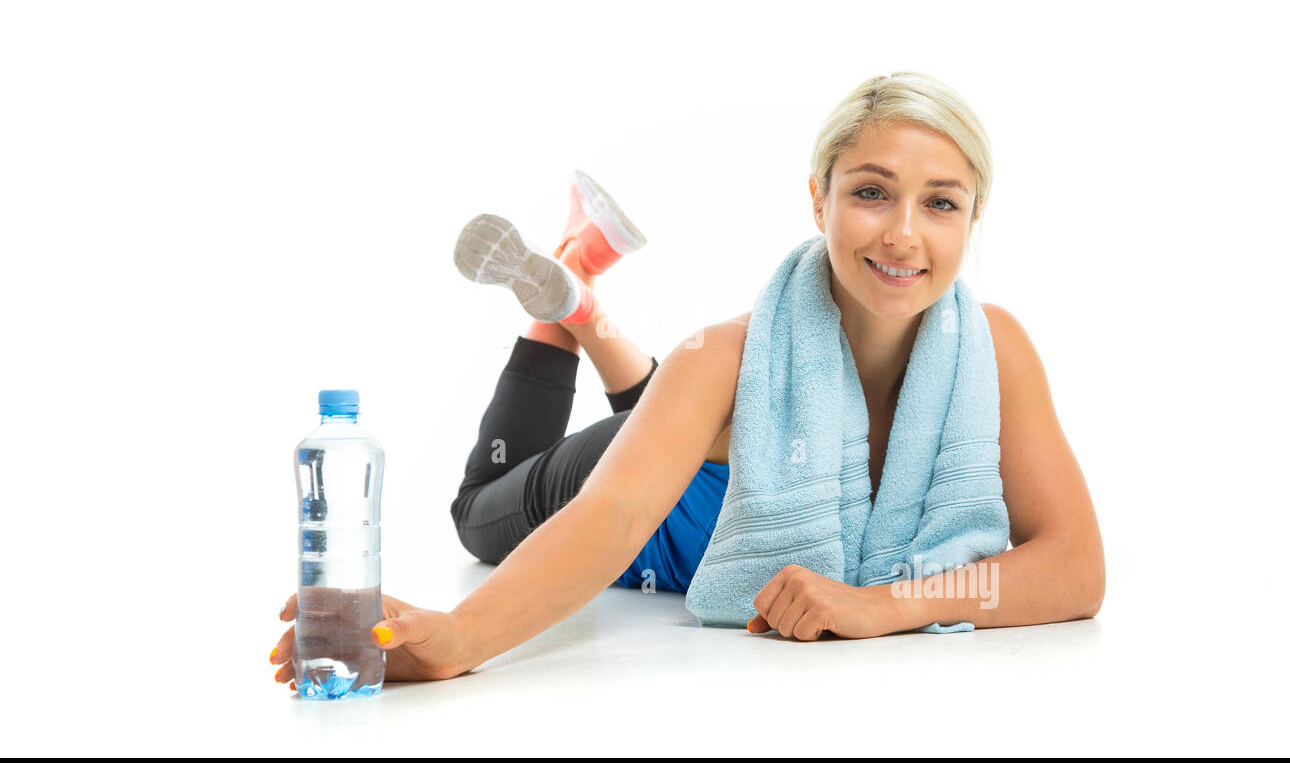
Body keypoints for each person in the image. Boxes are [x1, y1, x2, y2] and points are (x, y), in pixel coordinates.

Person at [269, 71, 1106, 689]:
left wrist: (885, 604)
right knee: (477, 514)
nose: (902, 234)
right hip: (630, 486)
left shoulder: (994, 350)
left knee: (682, 398)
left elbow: (1073, 570)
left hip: (692, 447)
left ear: (974, 219)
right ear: (818, 202)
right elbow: (614, 514)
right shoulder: (722, 359)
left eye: (941, 203)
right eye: (872, 193)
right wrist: (460, 635)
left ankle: (579, 297)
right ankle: (563, 303)